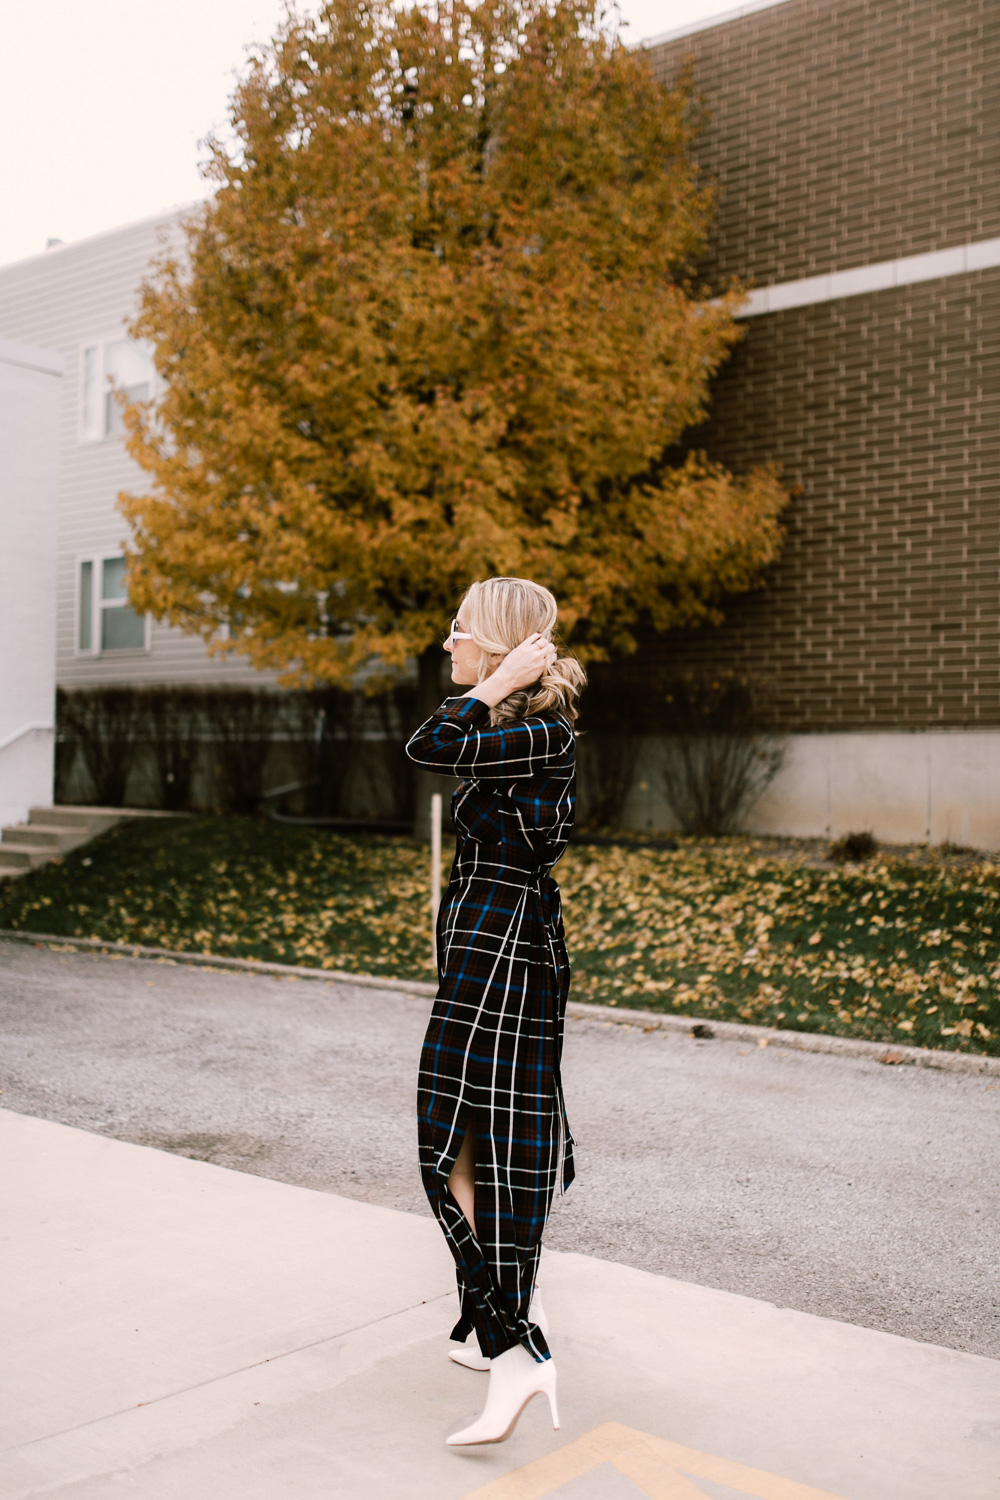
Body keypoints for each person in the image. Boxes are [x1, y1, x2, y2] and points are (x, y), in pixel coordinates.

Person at [405, 576, 587, 1447]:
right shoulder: (512, 728)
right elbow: (445, 743)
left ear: (502, 647)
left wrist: (499, 682)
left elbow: (428, 744)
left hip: (505, 945)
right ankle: (508, 1314)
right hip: (489, 938)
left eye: (460, 631)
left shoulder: (539, 729)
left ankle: (515, 1345)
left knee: (456, 1141)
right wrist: (498, 687)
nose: (448, 644)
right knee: (478, 1138)